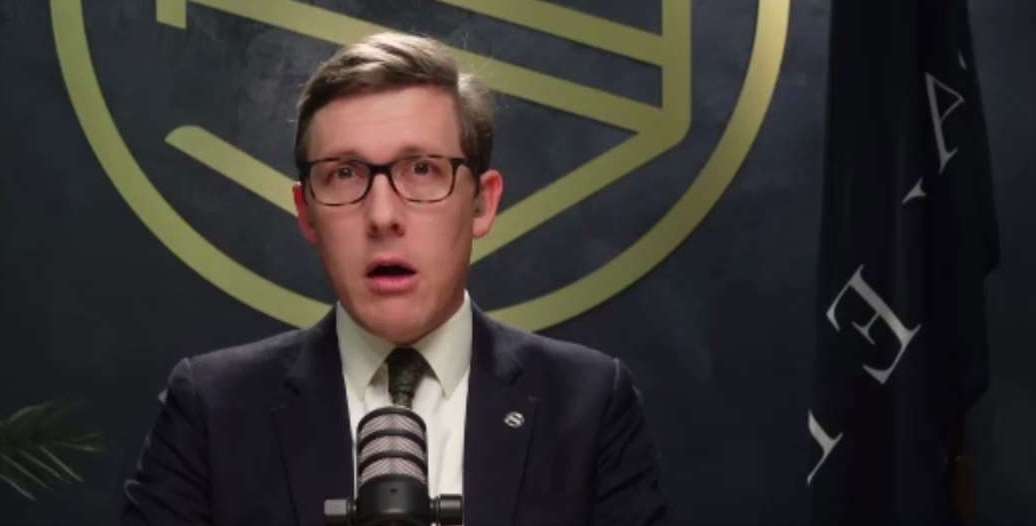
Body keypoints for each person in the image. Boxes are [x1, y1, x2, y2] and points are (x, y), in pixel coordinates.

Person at [122, 32, 667, 525]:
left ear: (482, 203)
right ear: (307, 212)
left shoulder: (588, 406)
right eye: (344, 174)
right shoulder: (212, 411)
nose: (382, 216)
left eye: (422, 169)